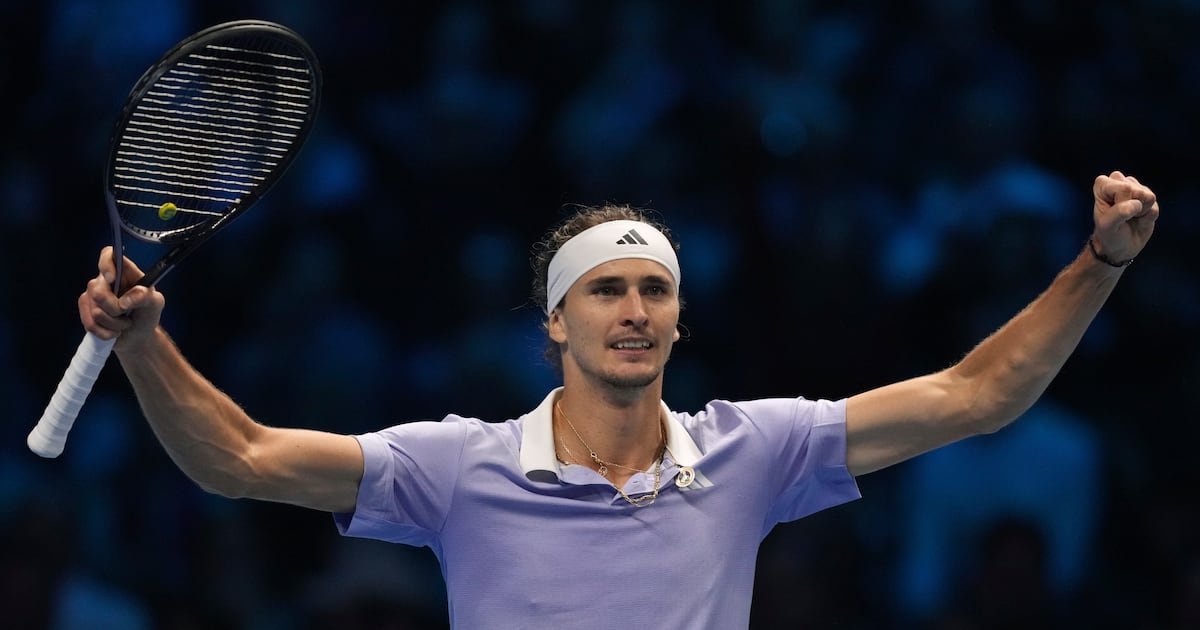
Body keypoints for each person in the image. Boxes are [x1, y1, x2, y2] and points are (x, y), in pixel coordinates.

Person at [77, 171, 1158, 628]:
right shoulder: (454, 466)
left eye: (656, 291)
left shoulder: (755, 450)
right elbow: (242, 458)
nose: (634, 311)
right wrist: (145, 345)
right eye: (606, 290)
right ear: (556, 322)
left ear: (679, 321)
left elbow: (977, 395)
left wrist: (1099, 264)